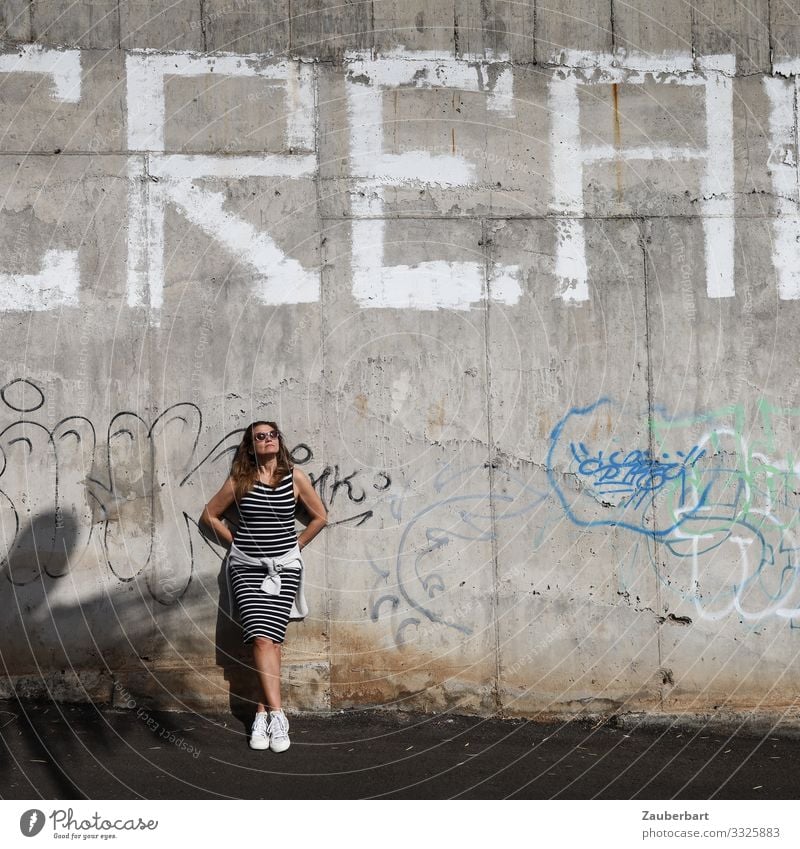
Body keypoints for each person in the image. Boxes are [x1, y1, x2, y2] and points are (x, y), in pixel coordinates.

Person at [201, 421, 327, 752]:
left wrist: (295, 546)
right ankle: (279, 716)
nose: (268, 440)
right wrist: (236, 543)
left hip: (284, 570)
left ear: (278, 442)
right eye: (260, 437)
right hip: (246, 569)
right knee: (260, 638)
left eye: (272, 435)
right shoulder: (239, 481)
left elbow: (320, 518)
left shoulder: (295, 478)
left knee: (270, 641)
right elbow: (210, 516)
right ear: (251, 446)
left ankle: (261, 715)